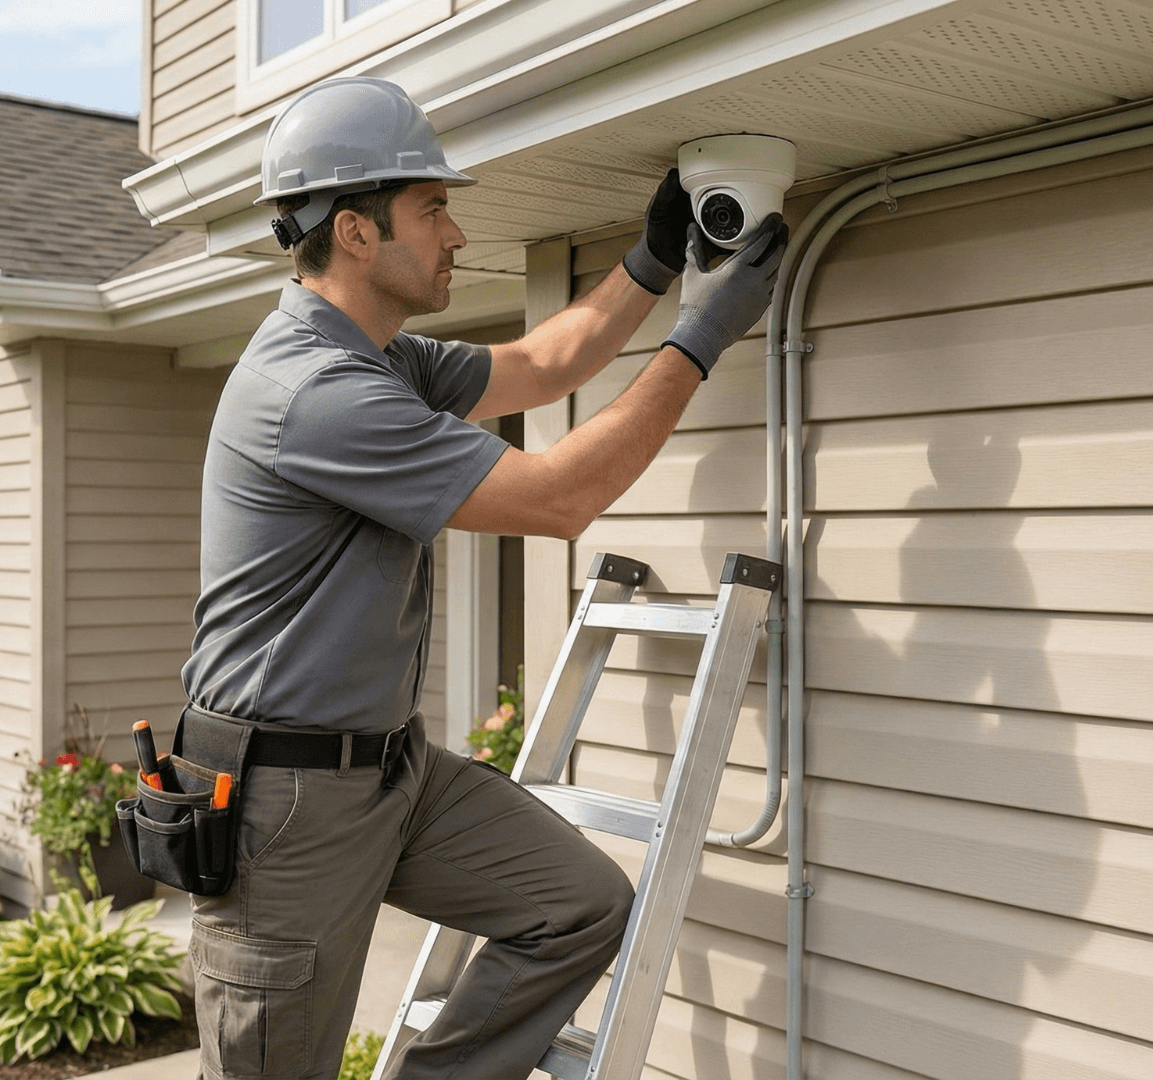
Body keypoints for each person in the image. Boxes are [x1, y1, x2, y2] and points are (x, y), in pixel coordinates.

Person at [178, 76, 787, 1080]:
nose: (458, 233)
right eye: (433, 209)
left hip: (386, 770)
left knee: (574, 905)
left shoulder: (378, 359)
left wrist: (649, 261)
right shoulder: (316, 392)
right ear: (356, 232)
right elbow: (556, 500)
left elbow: (547, 363)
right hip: (280, 800)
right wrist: (703, 335)